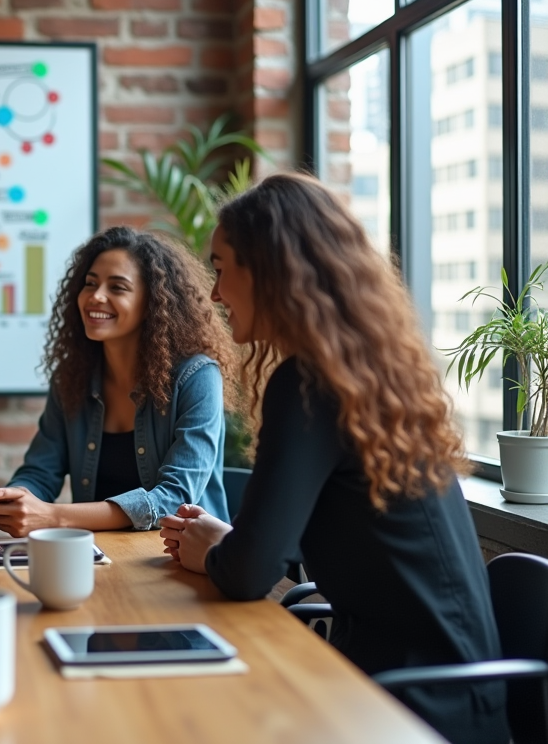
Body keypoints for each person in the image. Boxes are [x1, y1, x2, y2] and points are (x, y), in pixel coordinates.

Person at [160, 173, 507, 744]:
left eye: (221, 269)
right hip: (443, 694)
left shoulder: (308, 385)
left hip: (414, 706)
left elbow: (248, 574)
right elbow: (313, 537)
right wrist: (227, 542)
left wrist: (220, 553)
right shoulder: (360, 375)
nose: (215, 295)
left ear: (269, 270)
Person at [0, 227, 235, 538]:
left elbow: (175, 497)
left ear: (153, 302)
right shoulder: (73, 376)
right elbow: (40, 471)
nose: (96, 296)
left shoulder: (196, 376)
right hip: (96, 554)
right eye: (90, 283)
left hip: (180, 554)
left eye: (117, 287)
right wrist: (9, 504)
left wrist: (53, 516)